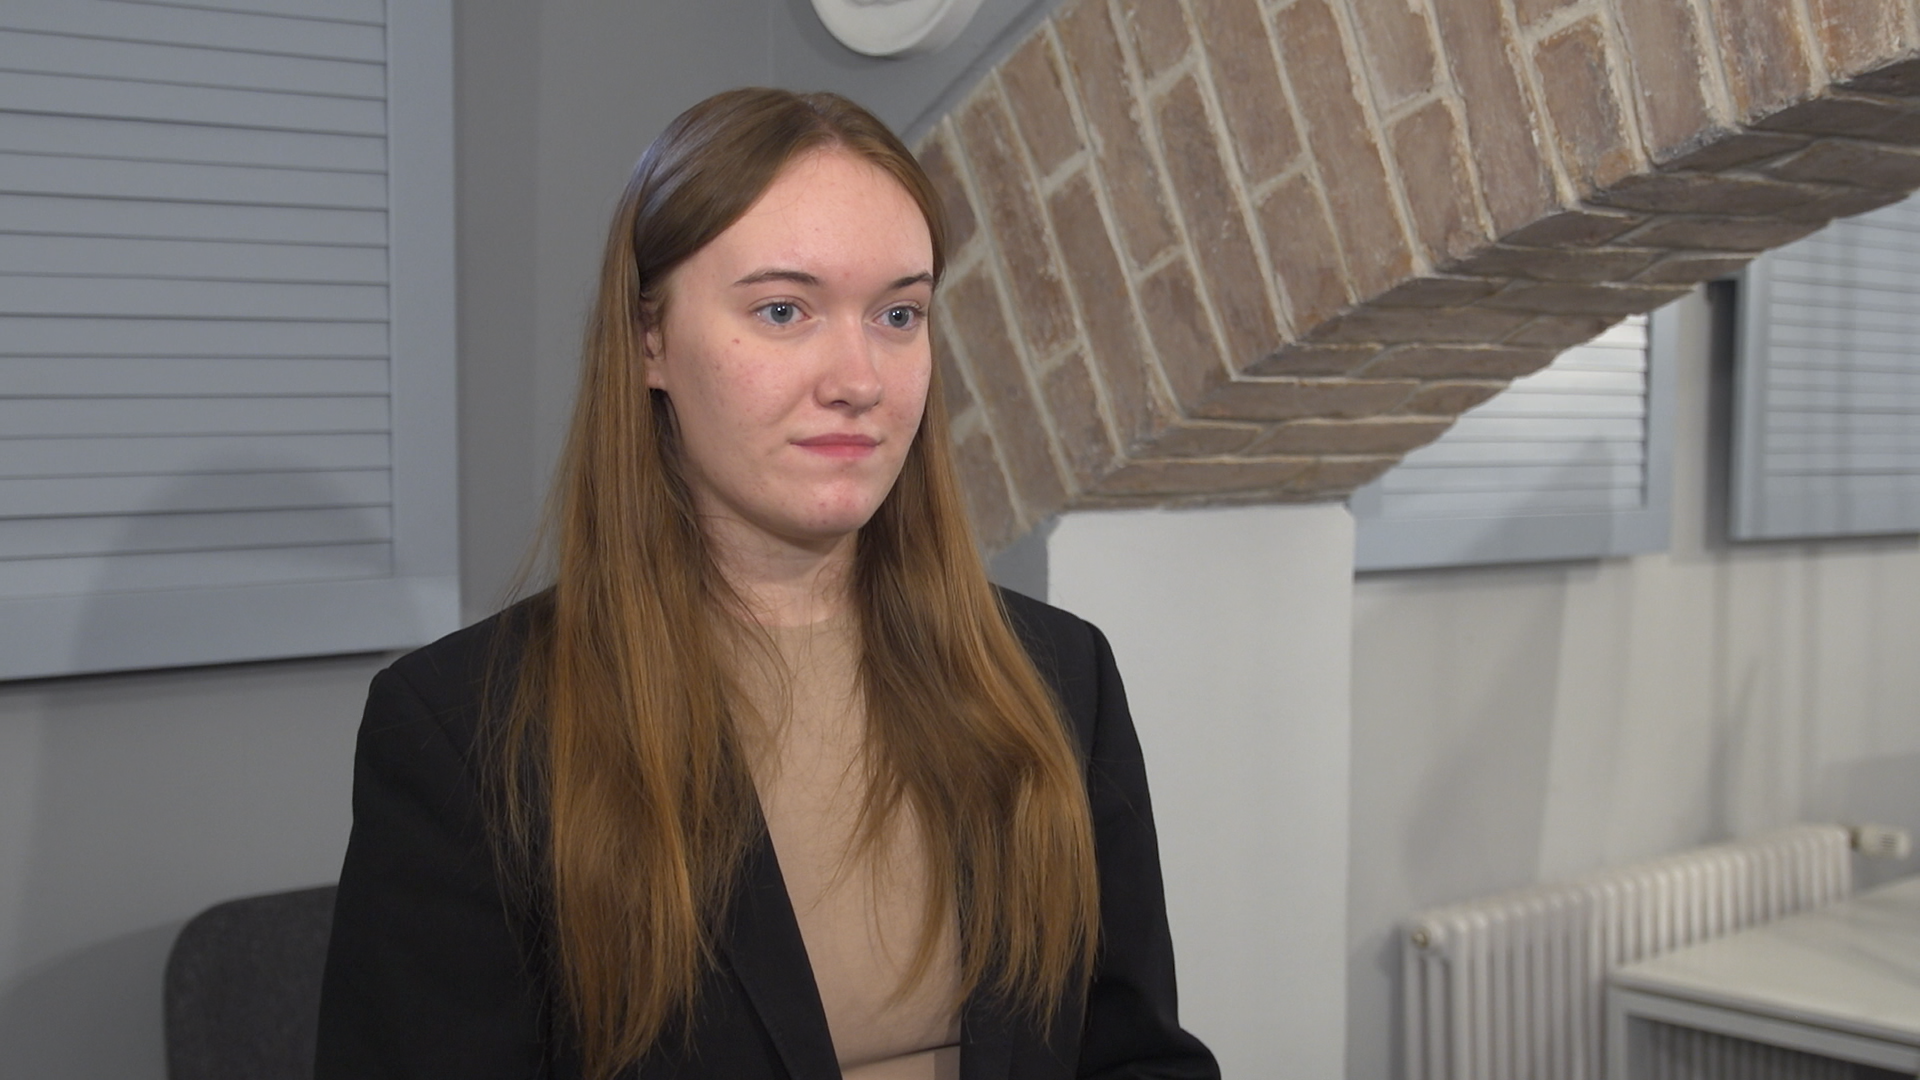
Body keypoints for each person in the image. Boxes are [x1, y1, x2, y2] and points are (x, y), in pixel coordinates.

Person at [314, 87, 1217, 1080]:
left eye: (899, 314)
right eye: (784, 310)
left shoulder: (1060, 677)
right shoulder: (464, 732)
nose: (858, 378)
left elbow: (1137, 1058)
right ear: (650, 340)